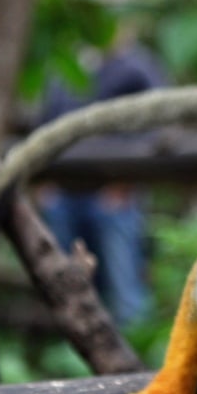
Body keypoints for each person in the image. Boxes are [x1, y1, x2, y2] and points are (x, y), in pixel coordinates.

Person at [37, 34, 166, 325]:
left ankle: (136, 344)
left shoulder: (139, 68)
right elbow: (46, 123)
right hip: (64, 192)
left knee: (123, 286)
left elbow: (159, 126)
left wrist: (127, 182)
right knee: (62, 278)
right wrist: (46, 184)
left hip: (114, 193)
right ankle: (67, 335)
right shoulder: (68, 67)